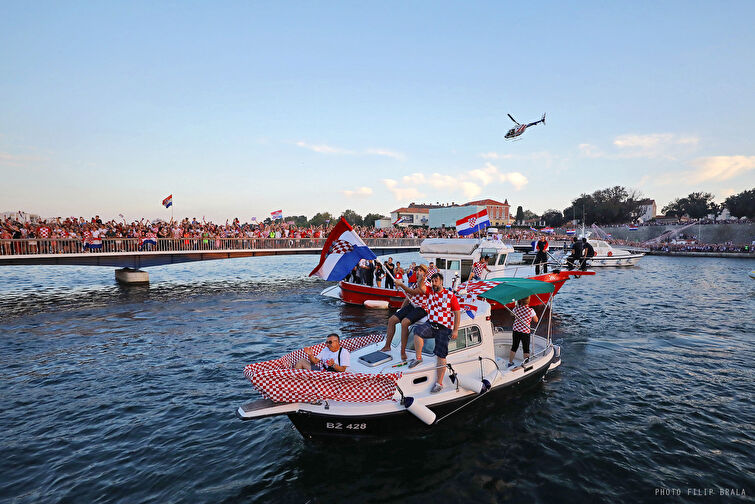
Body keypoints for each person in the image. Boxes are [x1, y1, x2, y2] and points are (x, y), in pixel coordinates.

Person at [409, 273, 461, 393]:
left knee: (441, 355)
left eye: (436, 281)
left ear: (441, 282)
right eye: (432, 281)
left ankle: (439, 383)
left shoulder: (449, 295)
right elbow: (421, 286)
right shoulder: (429, 292)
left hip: (444, 328)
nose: (434, 283)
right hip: (431, 324)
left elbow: (457, 313)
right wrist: (422, 278)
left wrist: (455, 329)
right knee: (417, 331)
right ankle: (418, 358)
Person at [380, 264, 430, 360]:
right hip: (413, 305)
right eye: (417, 270)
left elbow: (413, 292)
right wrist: (401, 310)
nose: (418, 272)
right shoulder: (415, 283)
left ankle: (402, 351)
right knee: (391, 320)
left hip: (422, 308)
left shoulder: (426, 285)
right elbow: (408, 297)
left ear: (425, 273)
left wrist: (401, 284)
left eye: (420, 270)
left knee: (404, 323)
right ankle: (387, 346)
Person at [508, 296, 538, 366]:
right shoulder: (531, 310)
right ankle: (526, 364)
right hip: (525, 332)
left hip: (516, 330)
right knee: (526, 348)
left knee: (514, 346)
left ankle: (510, 362)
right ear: (528, 301)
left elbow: (511, 314)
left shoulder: (517, 308)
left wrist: (517, 307)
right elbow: (536, 320)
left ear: (521, 301)